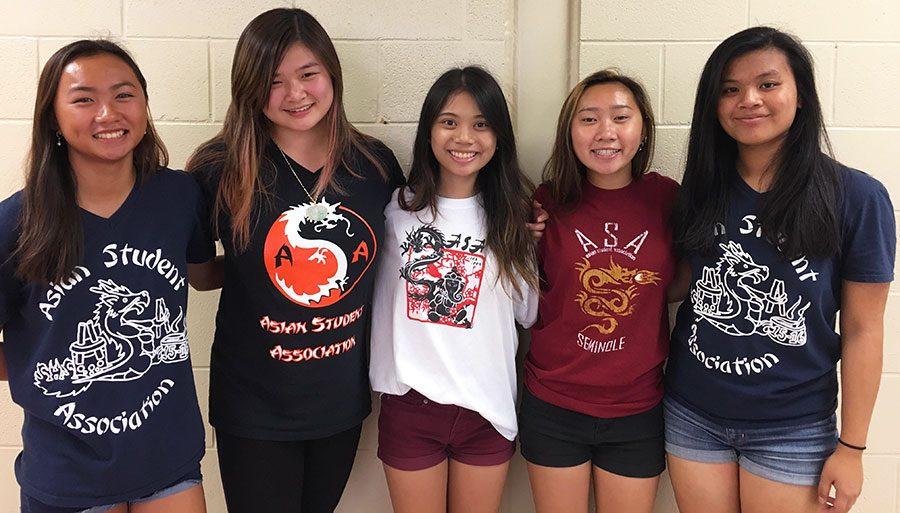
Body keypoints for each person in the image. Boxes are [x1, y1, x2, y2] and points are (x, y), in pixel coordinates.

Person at [665, 26, 895, 513]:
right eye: (730, 89)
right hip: (691, 412)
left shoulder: (857, 197)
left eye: (767, 84)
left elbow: (862, 329)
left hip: (793, 427)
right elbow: (678, 284)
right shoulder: (702, 188)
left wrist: (852, 448)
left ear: (801, 95)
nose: (748, 99)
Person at [186, 8, 404, 513]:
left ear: (332, 73)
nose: (295, 94)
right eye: (273, 81)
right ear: (249, 88)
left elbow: (416, 245)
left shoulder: (374, 164)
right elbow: (200, 275)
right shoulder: (218, 169)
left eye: (308, 74)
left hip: (341, 402)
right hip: (254, 404)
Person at [0, 40, 211, 513]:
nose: (107, 113)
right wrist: (49, 368)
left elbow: (203, 274)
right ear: (52, 117)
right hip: (67, 471)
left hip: (168, 459)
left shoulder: (179, 195)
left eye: (123, 94)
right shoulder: (16, 221)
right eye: (83, 98)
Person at [369, 66, 538, 513]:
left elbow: (528, 313)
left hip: (487, 407)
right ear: (428, 131)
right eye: (449, 122)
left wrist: (530, 238)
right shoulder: (396, 209)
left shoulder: (514, 216)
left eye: (481, 124)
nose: (465, 137)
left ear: (498, 136)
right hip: (411, 405)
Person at [520, 69, 679, 513]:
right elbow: (526, 287)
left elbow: (680, 284)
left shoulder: (668, 199)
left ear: (642, 129)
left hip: (638, 407)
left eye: (621, 117)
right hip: (553, 402)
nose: (606, 132)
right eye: (589, 119)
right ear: (569, 131)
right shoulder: (545, 202)